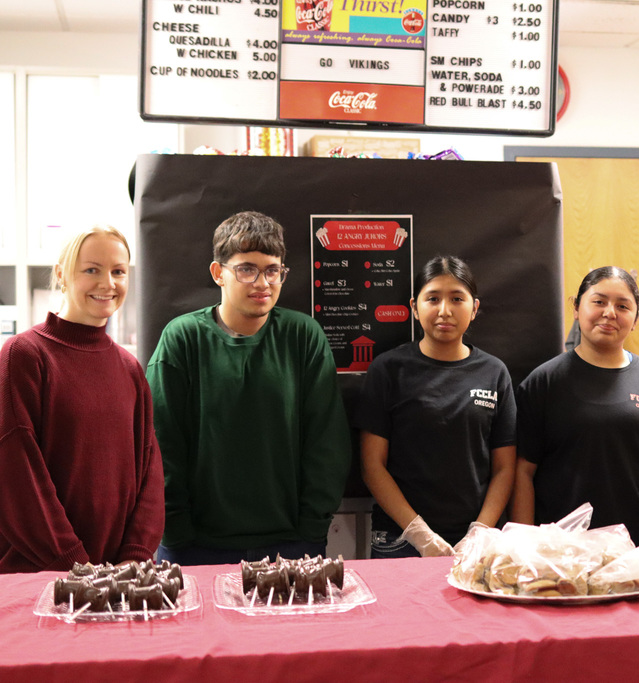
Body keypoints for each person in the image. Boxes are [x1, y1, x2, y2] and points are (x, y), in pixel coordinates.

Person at [146, 211, 350, 565]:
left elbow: (326, 441)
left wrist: (310, 529)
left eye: (273, 270)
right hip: (195, 546)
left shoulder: (303, 336)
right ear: (218, 273)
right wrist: (176, 530)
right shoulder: (182, 338)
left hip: (291, 545)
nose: (263, 283)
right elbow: (160, 443)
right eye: (247, 269)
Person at [0, 226, 164, 573]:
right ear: (62, 273)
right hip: (40, 577)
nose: (108, 283)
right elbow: (16, 470)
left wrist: (133, 559)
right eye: (91, 269)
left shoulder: (129, 369)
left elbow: (150, 471)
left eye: (118, 271)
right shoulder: (25, 356)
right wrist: (75, 564)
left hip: (116, 581)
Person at [512, 266, 639, 546]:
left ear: (636, 318)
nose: (610, 313)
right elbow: (522, 472)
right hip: (564, 555)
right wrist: (525, 546)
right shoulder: (542, 383)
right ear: (576, 308)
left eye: (623, 306)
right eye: (599, 301)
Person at [355, 256, 516, 558]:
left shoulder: (494, 373)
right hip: (399, 536)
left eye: (457, 298)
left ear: (474, 308)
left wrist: (479, 533)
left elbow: (505, 468)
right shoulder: (388, 369)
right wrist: (418, 533)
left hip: (475, 541)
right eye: (433, 299)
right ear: (415, 308)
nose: (445, 311)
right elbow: (371, 465)